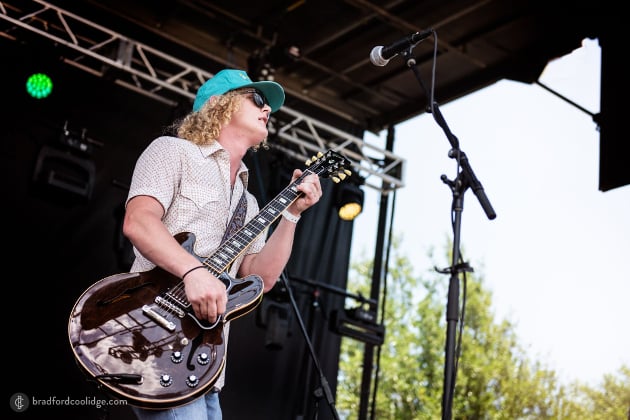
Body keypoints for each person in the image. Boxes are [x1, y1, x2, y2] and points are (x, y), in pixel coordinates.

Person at [122, 68, 323, 419]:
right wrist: (193, 272)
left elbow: (261, 278)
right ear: (219, 104)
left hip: (206, 370)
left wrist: (292, 215)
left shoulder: (249, 202)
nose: (267, 109)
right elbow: (138, 221)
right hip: (151, 336)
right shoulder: (172, 152)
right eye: (257, 98)